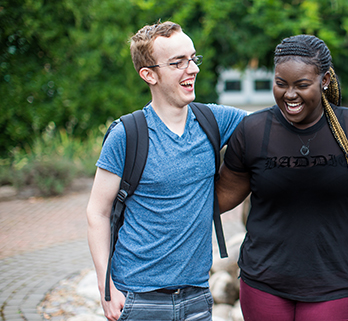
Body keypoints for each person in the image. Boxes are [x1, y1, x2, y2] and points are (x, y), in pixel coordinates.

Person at [215, 34, 348, 321]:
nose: (289, 94)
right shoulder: (253, 131)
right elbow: (219, 199)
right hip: (263, 283)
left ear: (325, 80)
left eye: (301, 85)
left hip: (334, 283)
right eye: (281, 84)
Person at [86, 21, 247, 321]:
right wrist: (105, 287)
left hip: (198, 298)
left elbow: (275, 125)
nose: (193, 69)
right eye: (177, 63)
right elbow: (97, 212)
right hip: (138, 298)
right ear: (149, 74)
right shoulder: (127, 134)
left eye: (193, 58)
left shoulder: (214, 121)